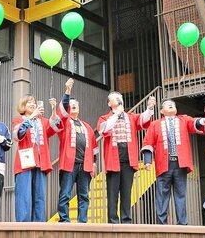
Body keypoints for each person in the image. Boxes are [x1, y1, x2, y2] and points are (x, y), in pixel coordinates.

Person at [141, 99, 205, 225]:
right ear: (161, 111)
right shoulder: (155, 124)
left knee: (180, 195)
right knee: (162, 196)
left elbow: (194, 123)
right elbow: (148, 142)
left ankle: (182, 223)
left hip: (180, 164)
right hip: (163, 163)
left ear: (176, 109)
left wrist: (203, 120)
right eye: (167, 105)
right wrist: (148, 161)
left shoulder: (183, 119)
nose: (171, 105)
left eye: (173, 105)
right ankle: (162, 224)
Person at [96, 92, 156, 224]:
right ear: (109, 103)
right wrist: (116, 114)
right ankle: (113, 221)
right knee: (112, 194)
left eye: (120, 97)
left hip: (128, 160)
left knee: (126, 193)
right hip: (113, 160)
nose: (118, 99)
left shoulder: (130, 117)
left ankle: (126, 220)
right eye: (114, 98)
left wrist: (150, 109)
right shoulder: (104, 118)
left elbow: (143, 120)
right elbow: (103, 131)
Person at [51, 78, 98, 223]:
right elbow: (62, 110)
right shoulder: (64, 123)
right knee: (65, 194)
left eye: (76, 104)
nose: (74, 106)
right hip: (69, 164)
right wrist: (67, 92)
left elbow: (94, 148)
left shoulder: (87, 126)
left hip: (85, 165)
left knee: (84, 195)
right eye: (71, 105)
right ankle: (64, 220)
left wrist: (94, 163)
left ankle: (82, 221)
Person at [12, 94, 56, 222]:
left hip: (41, 162)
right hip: (24, 162)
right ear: (23, 106)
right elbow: (17, 135)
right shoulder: (18, 120)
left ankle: (39, 225)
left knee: (39, 196)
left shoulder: (43, 121)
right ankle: (23, 226)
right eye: (29, 102)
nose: (33, 104)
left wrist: (53, 109)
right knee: (23, 195)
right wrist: (31, 117)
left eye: (34, 102)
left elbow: (55, 127)